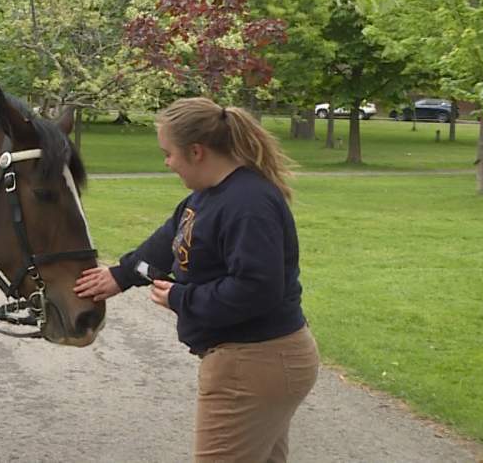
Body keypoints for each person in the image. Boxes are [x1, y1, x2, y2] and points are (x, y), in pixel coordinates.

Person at [74, 97, 319, 462]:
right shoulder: (207, 197)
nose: (167, 163)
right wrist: (121, 276)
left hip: (253, 364)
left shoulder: (248, 203)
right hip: (260, 361)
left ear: (196, 151)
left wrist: (181, 298)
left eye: (168, 153)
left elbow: (257, 288)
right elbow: (170, 238)